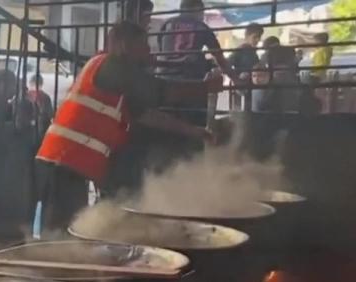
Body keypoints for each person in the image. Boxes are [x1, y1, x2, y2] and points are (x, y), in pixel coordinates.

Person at [34, 21, 219, 232]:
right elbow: (160, 91)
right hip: (63, 159)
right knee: (61, 231)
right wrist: (206, 87)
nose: (149, 50)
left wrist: (193, 131)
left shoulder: (115, 74)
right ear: (125, 45)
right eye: (143, 44)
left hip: (71, 161)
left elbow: (147, 115)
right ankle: (51, 262)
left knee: (70, 226)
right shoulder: (112, 66)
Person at [157, 0, 237, 123]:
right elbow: (219, 57)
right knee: (194, 125)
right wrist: (236, 79)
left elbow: (162, 51)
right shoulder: (202, 27)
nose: (203, 16)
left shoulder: (166, 24)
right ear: (197, 10)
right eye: (202, 12)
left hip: (164, 82)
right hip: (191, 84)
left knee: (166, 122)